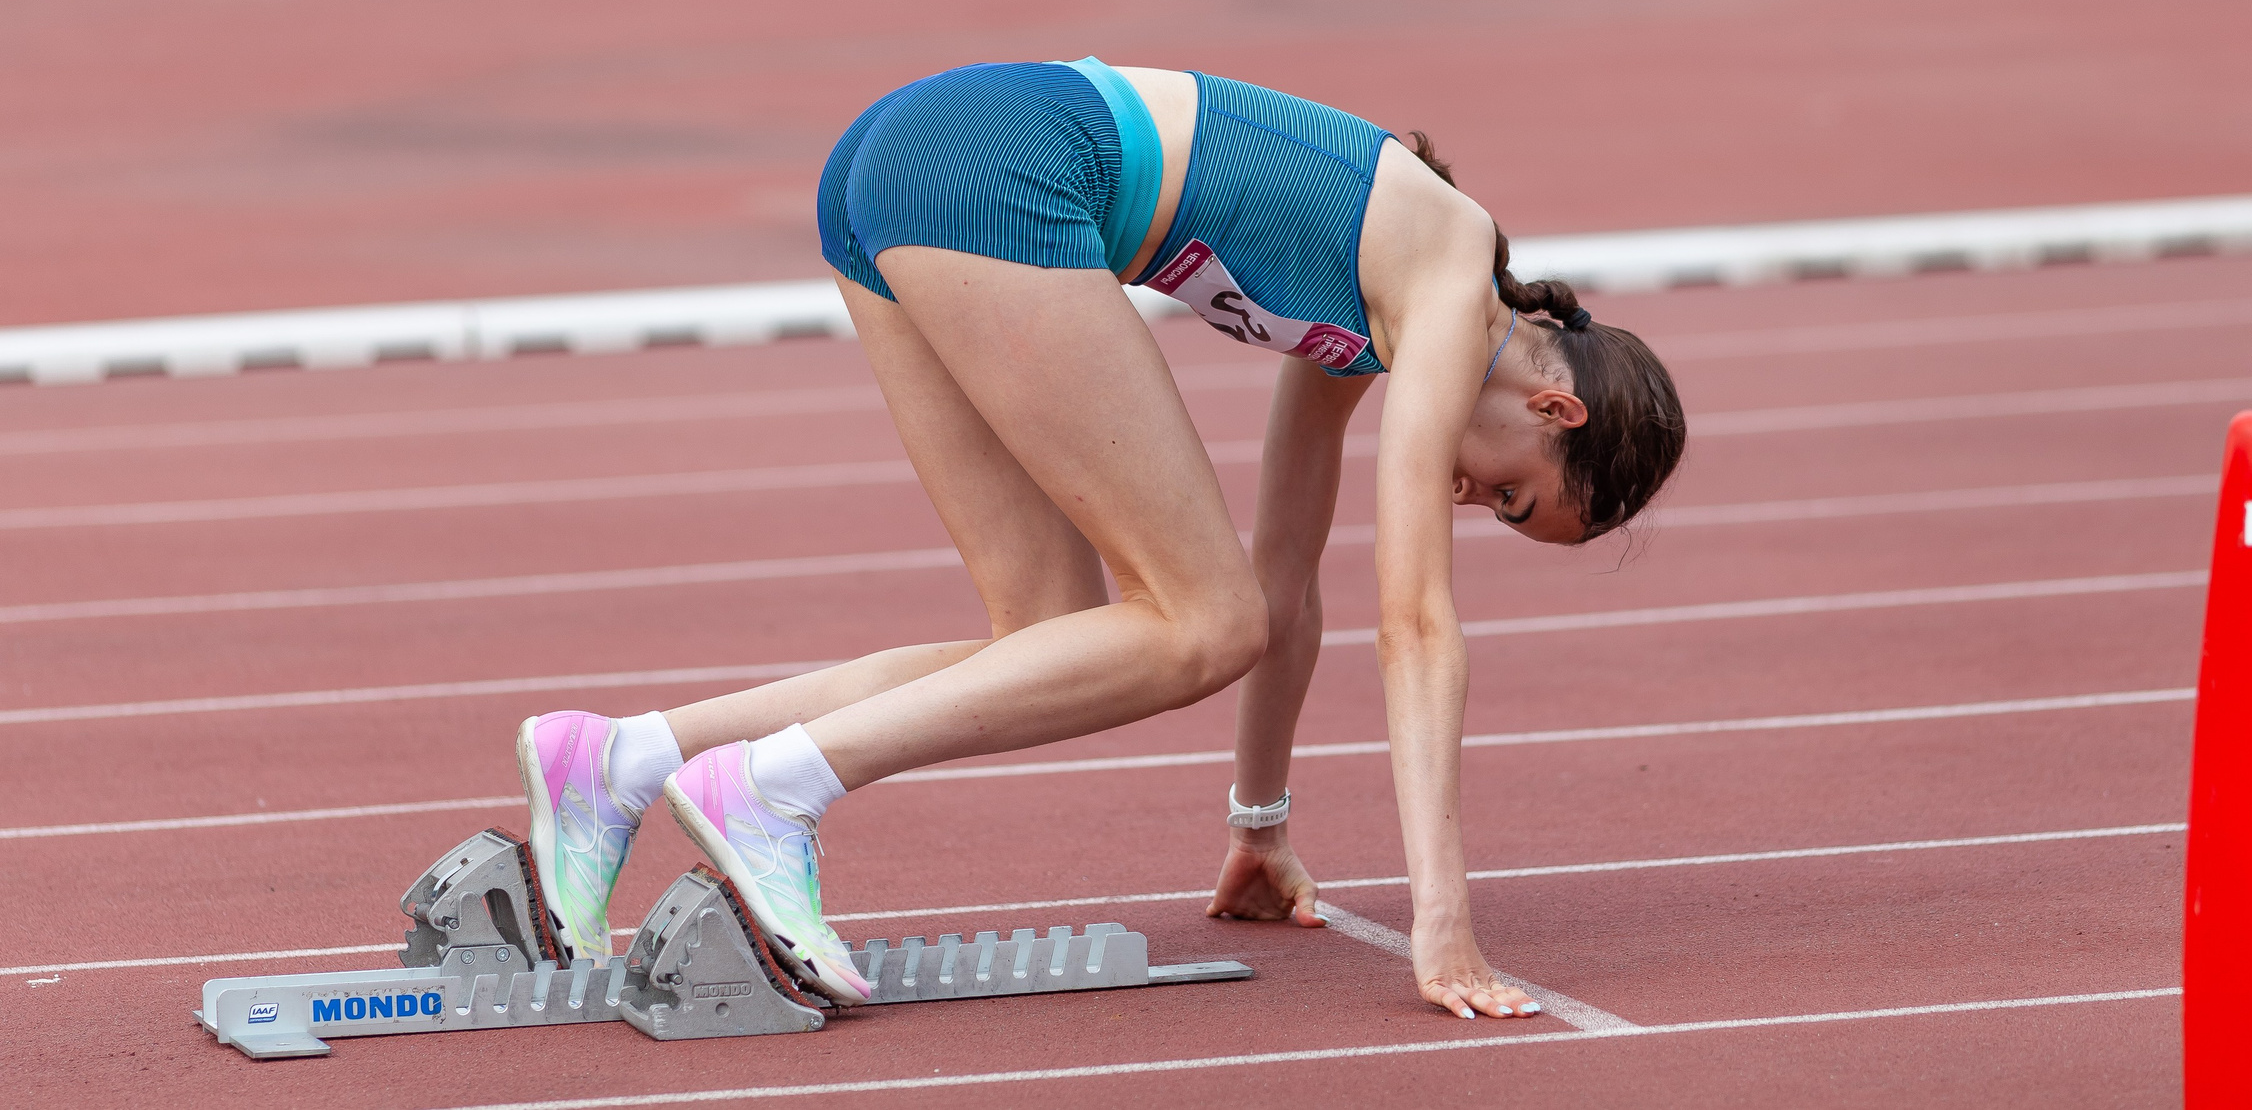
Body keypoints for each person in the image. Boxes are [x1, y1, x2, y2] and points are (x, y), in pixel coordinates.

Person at [513, 59, 1688, 1019]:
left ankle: (618, 762)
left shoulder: (1374, 319)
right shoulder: (1444, 278)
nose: (1467, 500)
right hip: (992, 168)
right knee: (1200, 622)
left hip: (900, 160)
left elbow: (1290, 581)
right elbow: (1414, 622)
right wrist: (1445, 924)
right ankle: (773, 792)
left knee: (1057, 634)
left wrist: (1258, 829)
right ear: (1553, 409)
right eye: (1512, 497)